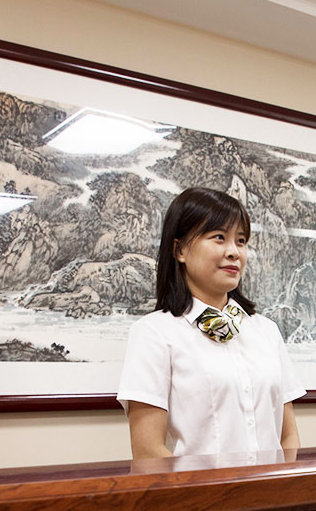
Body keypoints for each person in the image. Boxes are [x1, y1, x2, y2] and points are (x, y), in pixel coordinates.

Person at [117, 187, 304, 459]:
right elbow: (148, 450)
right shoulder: (154, 333)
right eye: (219, 237)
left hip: (275, 487)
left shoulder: (266, 330)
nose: (234, 252)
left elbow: (288, 437)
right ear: (180, 249)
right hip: (197, 488)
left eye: (241, 240)